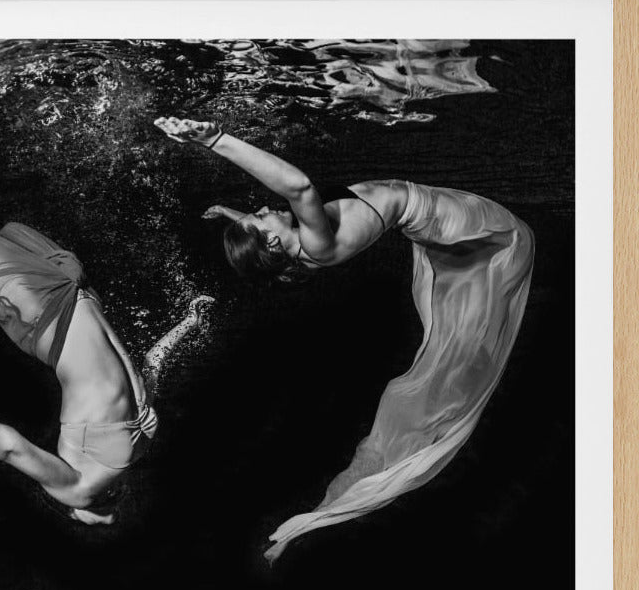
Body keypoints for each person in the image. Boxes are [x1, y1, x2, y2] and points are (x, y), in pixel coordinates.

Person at [154, 116, 534, 562]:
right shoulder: (318, 242)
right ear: (274, 244)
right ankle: (319, 520)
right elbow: (298, 187)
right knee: (511, 238)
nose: (262, 208)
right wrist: (215, 140)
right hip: (461, 225)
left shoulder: (294, 252)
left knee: (452, 344)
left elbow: (270, 235)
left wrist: (231, 216)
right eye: (260, 217)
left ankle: (308, 525)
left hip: (431, 231)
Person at [0, 216, 211, 542]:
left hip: (40, 311)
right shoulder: (139, 448)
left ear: (73, 513)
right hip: (71, 288)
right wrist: (189, 322)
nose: (112, 519)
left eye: (88, 522)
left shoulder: (78, 488)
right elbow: (152, 363)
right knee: (10, 231)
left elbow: (7, 444)